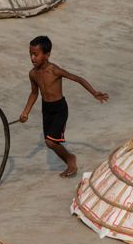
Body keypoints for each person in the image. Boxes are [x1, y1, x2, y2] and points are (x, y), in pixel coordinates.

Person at [19, 36, 108, 178]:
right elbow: (34, 93)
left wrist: (94, 93)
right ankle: (69, 158)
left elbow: (77, 78)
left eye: (36, 54)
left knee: (50, 141)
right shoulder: (33, 74)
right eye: (30, 54)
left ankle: (70, 159)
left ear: (47, 55)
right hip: (46, 109)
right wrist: (26, 112)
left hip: (59, 108)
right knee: (50, 143)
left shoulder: (54, 70)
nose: (32, 58)